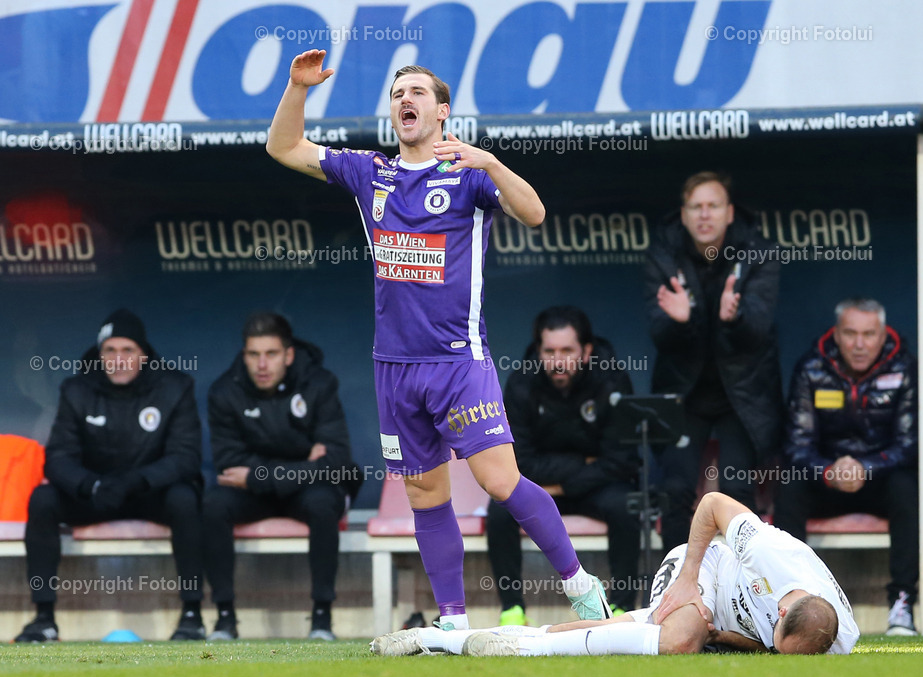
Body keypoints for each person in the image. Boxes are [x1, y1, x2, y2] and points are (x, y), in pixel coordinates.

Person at [266, 50, 610, 628]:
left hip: (457, 363)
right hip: (394, 369)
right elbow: (283, 147)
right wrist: (298, 89)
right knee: (426, 495)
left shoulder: (468, 175)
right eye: (399, 94)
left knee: (500, 481)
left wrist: (492, 162)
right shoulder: (369, 172)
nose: (406, 100)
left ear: (443, 111)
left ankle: (579, 584)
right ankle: (453, 618)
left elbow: (535, 213)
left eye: (418, 93)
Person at [371, 491, 859, 656]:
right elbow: (712, 503)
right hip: (704, 565)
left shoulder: (837, 635)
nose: (778, 655)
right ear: (780, 607)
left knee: (691, 637)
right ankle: (498, 641)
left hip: (723, 620)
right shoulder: (770, 552)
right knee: (678, 638)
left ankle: (460, 642)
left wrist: (728, 638)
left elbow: (773, 645)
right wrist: (691, 578)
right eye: (778, 642)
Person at [15, 309, 204, 642]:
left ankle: (192, 615)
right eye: (110, 351)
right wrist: (91, 484)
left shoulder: (174, 387)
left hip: (149, 493)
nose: (119, 359)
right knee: (43, 499)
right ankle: (44, 618)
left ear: (143, 355)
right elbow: (58, 458)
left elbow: (185, 458)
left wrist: (137, 480)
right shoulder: (77, 389)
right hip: (96, 495)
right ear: (100, 355)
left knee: (185, 498)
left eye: (128, 351)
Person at [644, 172, 784, 551]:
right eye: (696, 207)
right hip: (685, 395)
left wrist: (732, 318)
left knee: (737, 489)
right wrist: (684, 322)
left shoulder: (759, 252)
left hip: (742, 397)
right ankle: (674, 588)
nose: (705, 215)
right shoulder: (663, 254)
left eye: (713, 206)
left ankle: (746, 590)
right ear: (684, 215)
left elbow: (756, 332)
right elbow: (659, 334)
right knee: (674, 490)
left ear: (730, 213)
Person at [203, 312, 361, 640]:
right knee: (213, 504)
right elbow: (230, 464)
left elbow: (338, 462)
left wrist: (260, 474)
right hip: (258, 493)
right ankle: (224, 618)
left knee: (323, 502)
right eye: (253, 354)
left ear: (288, 355)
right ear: (243, 355)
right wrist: (304, 460)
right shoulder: (224, 392)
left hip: (302, 491)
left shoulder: (319, 384)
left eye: (271, 354)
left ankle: (321, 619)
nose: (262, 364)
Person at [774, 298, 918, 636]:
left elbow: (910, 445)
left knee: (908, 487)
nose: (859, 343)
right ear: (836, 335)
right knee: (790, 484)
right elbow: (796, 445)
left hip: (879, 480)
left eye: (868, 334)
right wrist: (829, 471)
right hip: (826, 479)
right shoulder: (812, 368)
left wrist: (864, 468)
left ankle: (902, 604)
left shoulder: (904, 368)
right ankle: (789, 599)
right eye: (850, 333)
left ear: (883, 335)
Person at [487, 306, 640, 625]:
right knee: (500, 510)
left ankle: (621, 609)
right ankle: (512, 610)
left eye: (567, 351)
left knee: (627, 505)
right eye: (550, 351)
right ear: (539, 351)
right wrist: (581, 465)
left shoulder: (611, 379)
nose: (558, 361)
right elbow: (520, 461)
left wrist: (562, 484)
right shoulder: (521, 383)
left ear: (586, 351)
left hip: (597, 486)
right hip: (545, 484)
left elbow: (621, 462)